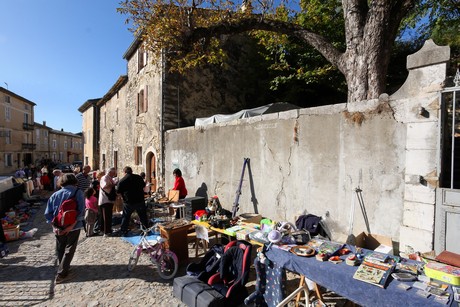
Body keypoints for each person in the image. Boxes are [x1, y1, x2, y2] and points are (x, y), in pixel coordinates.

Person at [44, 173, 85, 284]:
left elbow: (48, 214)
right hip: (74, 226)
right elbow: (81, 211)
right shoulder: (78, 193)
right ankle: (62, 273)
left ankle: (63, 267)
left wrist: (54, 226)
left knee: (60, 248)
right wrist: (71, 226)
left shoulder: (55, 195)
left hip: (58, 226)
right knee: (70, 249)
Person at [116, 166, 149, 236]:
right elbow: (143, 185)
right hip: (139, 200)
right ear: (131, 171)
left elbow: (118, 190)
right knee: (143, 216)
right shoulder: (139, 177)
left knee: (126, 217)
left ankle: (123, 230)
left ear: (124, 172)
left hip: (129, 202)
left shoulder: (122, 180)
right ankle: (145, 229)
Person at [98, 167, 117, 237]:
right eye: (113, 173)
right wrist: (113, 184)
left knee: (107, 216)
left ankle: (106, 230)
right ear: (110, 172)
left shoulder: (109, 178)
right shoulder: (105, 177)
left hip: (108, 200)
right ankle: (106, 232)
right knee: (106, 216)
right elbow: (104, 186)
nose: (114, 174)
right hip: (105, 200)